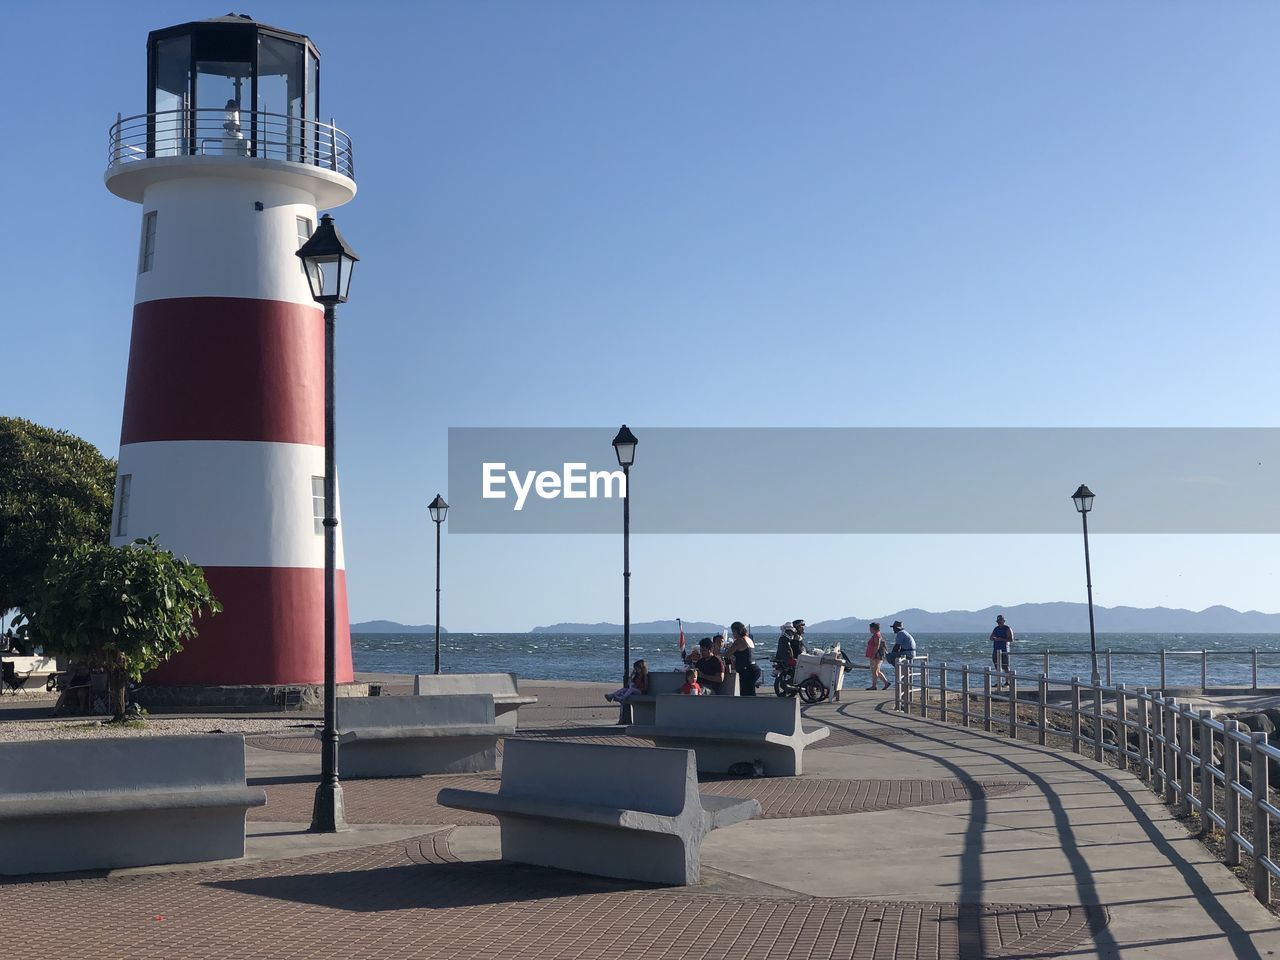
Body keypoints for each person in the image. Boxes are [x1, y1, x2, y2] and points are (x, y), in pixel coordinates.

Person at [729, 621, 759, 696]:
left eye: (733, 632)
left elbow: (727, 654)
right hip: (754, 668)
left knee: (745, 695)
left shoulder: (739, 641)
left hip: (747, 671)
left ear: (736, 631)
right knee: (751, 693)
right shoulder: (748, 639)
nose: (732, 634)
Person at [990, 614, 1014, 686]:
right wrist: (995, 638)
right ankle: (999, 682)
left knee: (1005, 666)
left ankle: (1008, 682)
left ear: (1003, 621)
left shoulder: (1007, 628)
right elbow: (991, 638)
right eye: (998, 621)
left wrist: (1001, 639)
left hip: (1004, 650)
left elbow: (1011, 639)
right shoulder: (996, 629)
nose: (999, 623)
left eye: (1000, 621)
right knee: (997, 666)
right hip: (996, 650)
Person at [865, 622, 890, 690]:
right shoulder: (876, 635)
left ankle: (874, 686)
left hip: (876, 656)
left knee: (874, 671)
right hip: (876, 656)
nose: (869, 629)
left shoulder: (876, 635)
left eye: (870, 628)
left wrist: (873, 654)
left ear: (873, 628)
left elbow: (877, 645)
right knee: (877, 671)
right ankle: (886, 682)